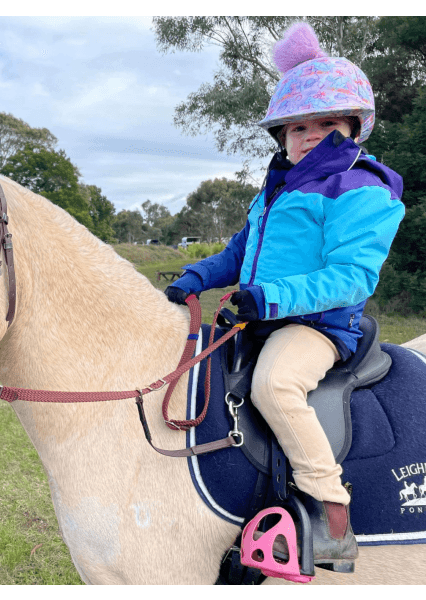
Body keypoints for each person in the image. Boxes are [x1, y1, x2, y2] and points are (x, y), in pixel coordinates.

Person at [165, 22, 405, 571]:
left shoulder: (359, 187)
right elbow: (235, 254)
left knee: (275, 385)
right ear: (281, 137)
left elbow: (351, 277)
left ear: (352, 128)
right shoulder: (274, 193)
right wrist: (195, 278)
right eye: (296, 127)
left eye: (325, 123)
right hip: (261, 317)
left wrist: (265, 298)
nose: (309, 134)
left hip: (317, 326)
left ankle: (329, 513)